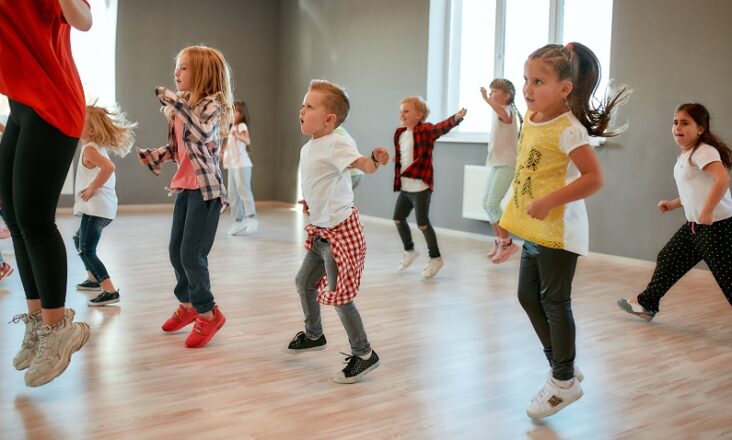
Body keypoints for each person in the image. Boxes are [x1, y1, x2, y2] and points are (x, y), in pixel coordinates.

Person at [499, 42, 629, 418]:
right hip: (535, 230)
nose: (527, 88)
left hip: (560, 232)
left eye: (538, 81)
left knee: (555, 302)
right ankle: (564, 366)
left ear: (565, 89)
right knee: (527, 296)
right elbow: (527, 173)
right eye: (526, 79)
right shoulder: (533, 117)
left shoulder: (569, 130)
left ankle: (562, 382)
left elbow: (594, 179)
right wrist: (510, 226)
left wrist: (549, 201)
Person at [1, 0, 93, 387]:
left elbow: (83, 20)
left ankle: (59, 330)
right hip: (21, 104)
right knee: (14, 216)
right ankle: (39, 322)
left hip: (53, 103)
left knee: (35, 220)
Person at [283, 80, 388, 384]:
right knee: (304, 282)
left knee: (340, 296)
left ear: (329, 119)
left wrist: (376, 159)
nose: (301, 110)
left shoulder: (337, 142)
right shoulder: (311, 146)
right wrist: (309, 200)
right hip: (321, 232)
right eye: (303, 104)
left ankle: (365, 354)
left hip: (340, 234)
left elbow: (364, 166)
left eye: (309, 106)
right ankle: (314, 335)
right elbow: (319, 181)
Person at [137, 45, 233, 348]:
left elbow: (203, 134)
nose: (176, 74)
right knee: (175, 251)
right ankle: (189, 304)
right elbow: (183, 149)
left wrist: (177, 105)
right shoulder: (182, 109)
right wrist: (157, 155)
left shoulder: (211, 106)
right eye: (177, 67)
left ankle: (208, 313)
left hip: (206, 192)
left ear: (202, 73)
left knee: (192, 255)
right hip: (185, 187)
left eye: (183, 68)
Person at [618, 103, 732, 320]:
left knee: (728, 278)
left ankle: (647, 303)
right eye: (675, 122)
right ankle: (646, 305)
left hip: (716, 228)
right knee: (668, 258)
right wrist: (673, 203)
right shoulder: (686, 155)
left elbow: (722, 179)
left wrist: (707, 211)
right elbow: (695, 191)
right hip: (694, 226)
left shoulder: (704, 151)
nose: (678, 127)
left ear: (700, 129)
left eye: (685, 123)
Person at [392, 96, 467, 278]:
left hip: (421, 188)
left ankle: (435, 258)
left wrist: (455, 118)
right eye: (401, 111)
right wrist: (398, 161)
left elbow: (440, 128)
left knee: (423, 223)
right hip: (406, 187)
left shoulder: (425, 131)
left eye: (407, 111)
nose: (402, 114)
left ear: (419, 115)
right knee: (398, 218)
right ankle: (409, 250)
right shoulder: (400, 133)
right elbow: (404, 155)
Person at [73, 103, 136, 306]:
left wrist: (91, 188)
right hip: (101, 208)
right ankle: (93, 279)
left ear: (91, 131)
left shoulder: (90, 149)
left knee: (86, 250)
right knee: (78, 239)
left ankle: (109, 290)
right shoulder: (93, 147)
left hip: (96, 208)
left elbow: (109, 167)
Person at [479, 79, 521, 263]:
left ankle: (507, 243)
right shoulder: (499, 112)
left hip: (507, 164)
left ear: (507, 96)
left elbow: (501, 111)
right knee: (487, 203)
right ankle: (500, 241)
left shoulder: (507, 112)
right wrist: (489, 101)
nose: (491, 93)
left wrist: (486, 100)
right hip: (497, 163)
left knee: (493, 204)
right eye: (491, 90)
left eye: (495, 90)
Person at [222, 100, 258, 236]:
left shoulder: (241, 126)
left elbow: (247, 140)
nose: (233, 114)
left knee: (243, 190)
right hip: (232, 165)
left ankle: (251, 218)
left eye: (235, 111)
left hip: (242, 164)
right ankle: (238, 221)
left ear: (241, 114)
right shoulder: (232, 128)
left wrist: (236, 135)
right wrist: (222, 151)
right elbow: (229, 147)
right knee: (232, 193)